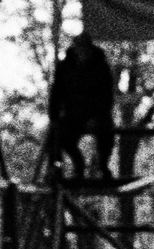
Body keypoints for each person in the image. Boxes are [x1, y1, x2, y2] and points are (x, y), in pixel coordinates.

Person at [46, 30, 117, 182]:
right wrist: (53, 117)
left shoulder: (101, 67)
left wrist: (97, 116)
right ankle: (75, 166)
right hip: (73, 114)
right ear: (75, 48)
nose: (83, 51)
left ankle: (103, 166)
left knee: (106, 134)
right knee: (57, 136)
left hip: (98, 114)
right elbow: (56, 93)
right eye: (80, 47)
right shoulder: (65, 67)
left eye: (85, 48)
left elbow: (107, 96)